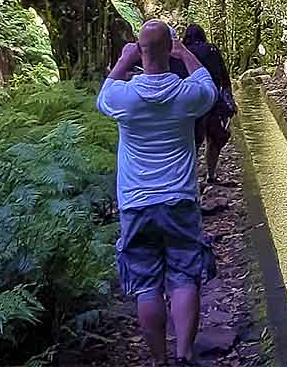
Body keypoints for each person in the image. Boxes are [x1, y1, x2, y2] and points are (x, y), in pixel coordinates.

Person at [97, 20, 217, 367]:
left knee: (147, 284)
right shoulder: (186, 95)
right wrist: (185, 53)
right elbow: (207, 85)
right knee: (183, 277)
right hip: (179, 200)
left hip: (136, 204)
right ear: (170, 49)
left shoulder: (125, 98)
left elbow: (104, 95)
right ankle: (184, 353)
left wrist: (123, 59)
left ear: (140, 51)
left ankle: (159, 359)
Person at [182, 23, 235, 187]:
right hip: (213, 101)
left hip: (190, 101)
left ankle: (190, 179)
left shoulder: (182, 52)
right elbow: (224, 77)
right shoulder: (211, 49)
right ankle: (211, 175)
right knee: (214, 139)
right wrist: (230, 99)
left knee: (193, 143)